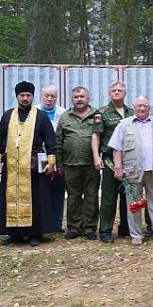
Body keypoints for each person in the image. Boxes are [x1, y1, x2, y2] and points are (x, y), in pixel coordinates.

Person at [0, 81, 57, 246]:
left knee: (36, 198)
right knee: (11, 198)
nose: (25, 98)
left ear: (32, 97)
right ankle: (14, 234)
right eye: (22, 95)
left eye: (28, 95)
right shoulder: (8, 116)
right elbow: (0, 139)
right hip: (13, 165)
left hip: (34, 165)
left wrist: (51, 162)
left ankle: (35, 234)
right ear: (17, 97)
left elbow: (51, 140)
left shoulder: (41, 116)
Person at [108, 97, 153, 245]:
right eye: (139, 106)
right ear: (133, 107)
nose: (142, 109)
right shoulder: (124, 124)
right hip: (133, 170)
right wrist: (118, 167)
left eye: (144, 106)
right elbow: (116, 148)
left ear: (149, 107)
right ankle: (136, 235)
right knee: (134, 204)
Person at [55, 86, 100, 240]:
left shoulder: (97, 115)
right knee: (73, 197)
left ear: (88, 98)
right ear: (72, 99)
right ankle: (74, 227)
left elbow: (103, 136)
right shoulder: (65, 117)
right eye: (76, 97)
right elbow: (58, 141)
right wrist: (59, 164)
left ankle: (89, 227)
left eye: (82, 96)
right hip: (70, 164)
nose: (79, 99)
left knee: (91, 196)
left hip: (91, 165)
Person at [92, 81, 133, 244]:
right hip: (109, 159)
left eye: (120, 90)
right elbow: (96, 136)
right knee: (109, 196)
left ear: (125, 93)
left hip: (129, 159)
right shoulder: (102, 113)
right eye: (114, 90)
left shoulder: (132, 111)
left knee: (127, 194)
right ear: (110, 93)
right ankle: (106, 230)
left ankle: (126, 228)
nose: (117, 92)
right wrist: (96, 156)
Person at [35, 85, 67, 232]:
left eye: (52, 96)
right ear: (41, 96)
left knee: (58, 191)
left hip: (58, 157)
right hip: (38, 157)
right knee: (41, 191)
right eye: (46, 96)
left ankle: (56, 224)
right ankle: (41, 223)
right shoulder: (34, 111)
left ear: (57, 97)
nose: (49, 99)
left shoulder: (63, 113)